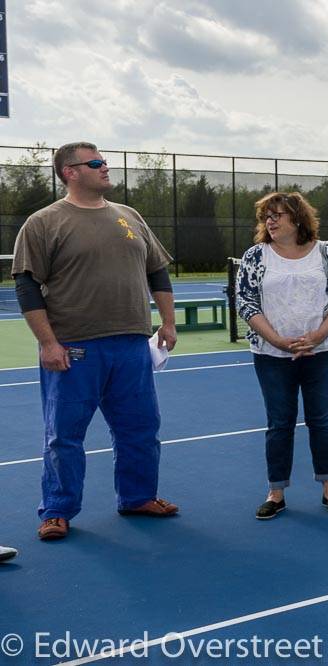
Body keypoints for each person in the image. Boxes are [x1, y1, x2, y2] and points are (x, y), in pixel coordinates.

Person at [12, 141, 179, 542]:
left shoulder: (129, 216)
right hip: (74, 348)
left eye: (104, 161)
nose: (105, 168)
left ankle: (138, 496)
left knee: (141, 429)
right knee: (64, 435)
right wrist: (48, 343)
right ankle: (57, 510)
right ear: (70, 172)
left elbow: (157, 272)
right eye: (96, 163)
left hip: (132, 346)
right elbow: (27, 286)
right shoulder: (43, 222)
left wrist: (168, 323)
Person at [236, 192, 328, 519]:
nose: (270, 222)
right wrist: (278, 340)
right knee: (279, 423)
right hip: (271, 355)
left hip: (323, 353)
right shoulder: (255, 256)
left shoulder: (327, 253)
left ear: (297, 219)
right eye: (266, 217)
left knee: (322, 421)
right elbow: (246, 303)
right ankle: (276, 493)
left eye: (277, 215)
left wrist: (317, 336)